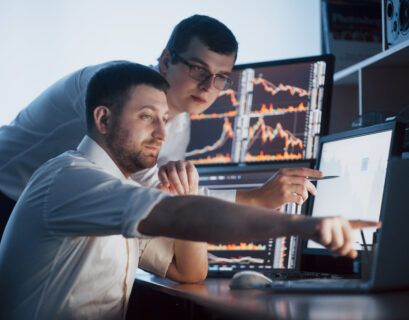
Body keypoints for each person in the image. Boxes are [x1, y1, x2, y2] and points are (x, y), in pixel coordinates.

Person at [0, 62, 379, 319]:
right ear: (103, 119)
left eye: (164, 120)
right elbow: (180, 218)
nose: (162, 135)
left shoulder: (116, 191)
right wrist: (305, 225)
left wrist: (185, 197)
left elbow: (187, 271)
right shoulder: (73, 179)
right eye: (147, 117)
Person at [0, 15, 321, 240]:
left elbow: (170, 193)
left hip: (54, 215)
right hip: (7, 197)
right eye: (198, 69)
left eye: (221, 77)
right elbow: (154, 193)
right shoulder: (111, 87)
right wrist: (255, 199)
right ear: (166, 61)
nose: (209, 86)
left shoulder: (177, 125)